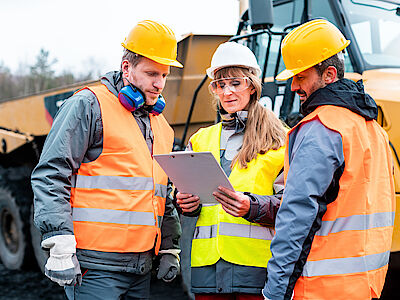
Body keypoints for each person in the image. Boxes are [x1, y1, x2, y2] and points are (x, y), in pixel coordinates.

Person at [31, 20, 183, 300]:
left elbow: (163, 193)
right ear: (126, 68)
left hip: (141, 269)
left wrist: (170, 246)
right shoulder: (89, 105)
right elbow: (51, 174)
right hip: (95, 269)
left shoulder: (161, 126)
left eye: (164, 74)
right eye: (151, 73)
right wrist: (59, 241)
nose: (159, 84)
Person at [262, 19, 395, 300]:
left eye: (301, 76)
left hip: (320, 289)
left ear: (329, 74)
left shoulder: (320, 127)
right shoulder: (373, 129)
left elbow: (297, 218)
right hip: (365, 286)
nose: (293, 85)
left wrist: (274, 292)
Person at [176, 41, 287, 299]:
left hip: (256, 271)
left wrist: (252, 207)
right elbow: (184, 201)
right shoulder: (199, 140)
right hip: (207, 272)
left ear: (252, 85)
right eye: (220, 85)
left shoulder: (281, 141)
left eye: (235, 83)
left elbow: (293, 208)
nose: (227, 92)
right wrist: (184, 202)